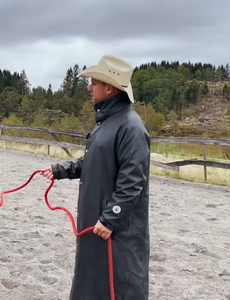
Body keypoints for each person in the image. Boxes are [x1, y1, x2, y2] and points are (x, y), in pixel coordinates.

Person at [41, 54, 151, 299]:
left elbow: (133, 180)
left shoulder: (131, 127)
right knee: (91, 284)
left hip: (116, 233)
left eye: (93, 83)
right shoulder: (108, 123)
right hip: (97, 226)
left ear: (109, 88)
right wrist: (60, 170)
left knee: (119, 286)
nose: (89, 88)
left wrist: (112, 218)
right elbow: (92, 162)